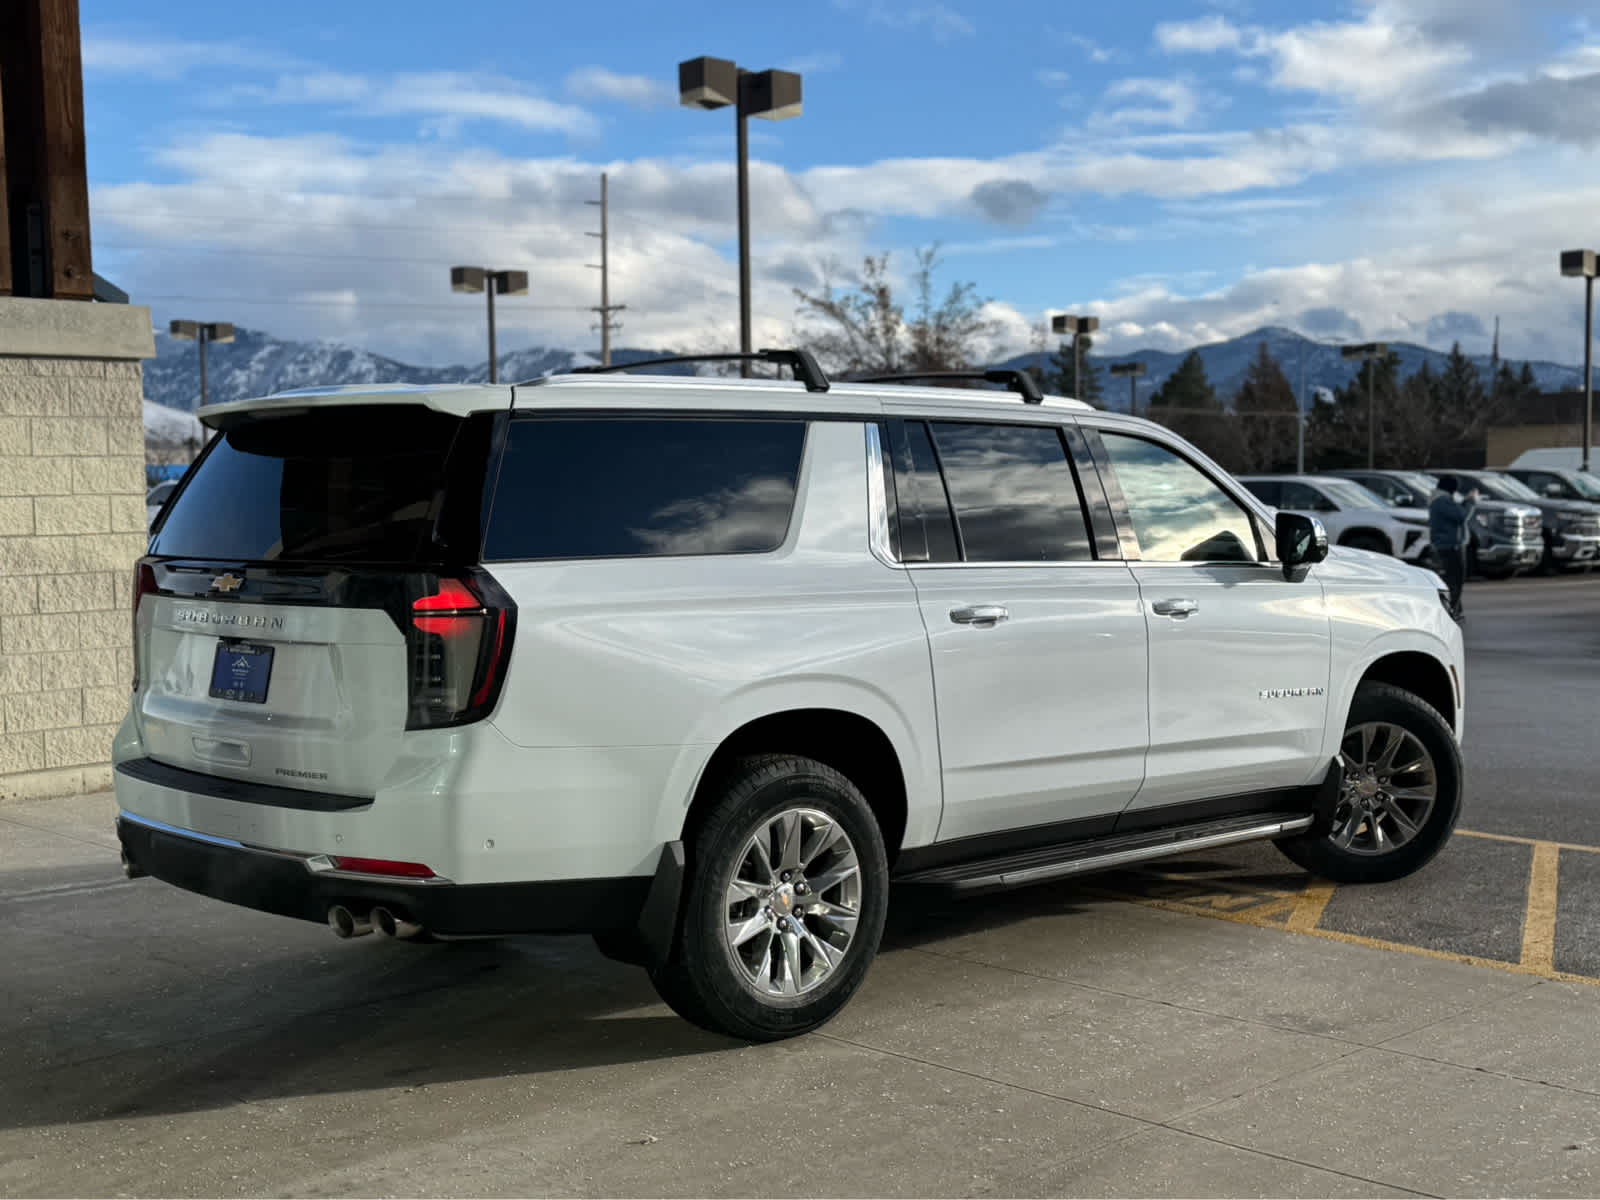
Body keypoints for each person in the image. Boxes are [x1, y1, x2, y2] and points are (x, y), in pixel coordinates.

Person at [1429, 474, 1479, 620]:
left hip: (1448, 544)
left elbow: (1457, 512)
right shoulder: (1442, 501)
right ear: (1451, 488)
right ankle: (1451, 611)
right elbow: (1461, 515)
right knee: (1455, 579)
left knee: (1453, 578)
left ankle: (1456, 609)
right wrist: (1471, 501)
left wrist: (1465, 501)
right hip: (1450, 545)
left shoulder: (1441, 499)